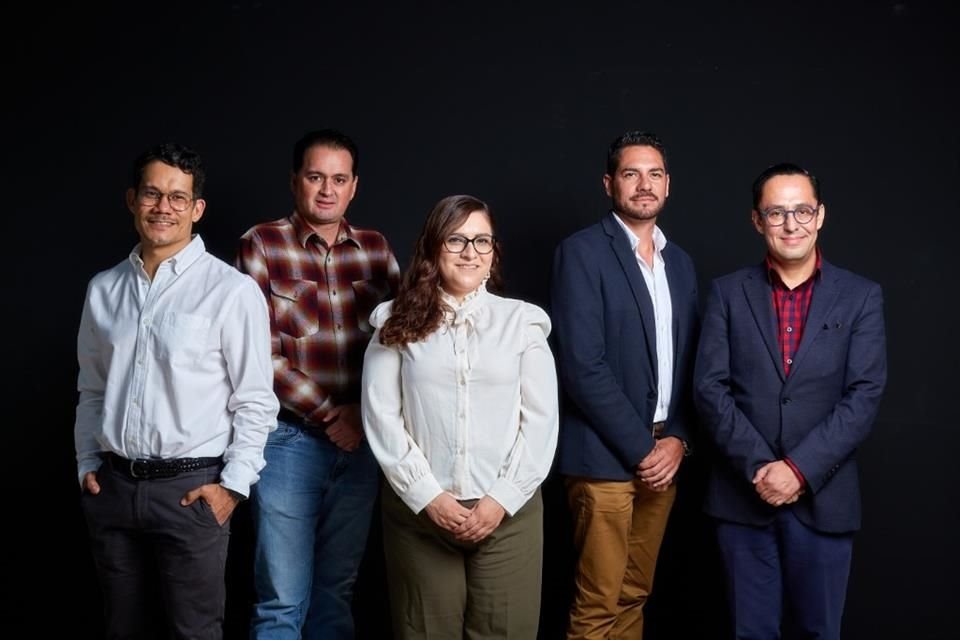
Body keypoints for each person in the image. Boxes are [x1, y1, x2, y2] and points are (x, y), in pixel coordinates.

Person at [74, 142, 279, 639]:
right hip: (114, 489)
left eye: (177, 197)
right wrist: (86, 465)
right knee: (122, 629)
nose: (163, 206)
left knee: (194, 633)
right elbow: (92, 388)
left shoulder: (231, 291)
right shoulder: (103, 289)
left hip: (192, 493)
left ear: (196, 209)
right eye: (152, 193)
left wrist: (233, 487)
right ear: (132, 200)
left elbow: (255, 400)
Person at [694, 163, 887, 639]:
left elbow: (863, 395)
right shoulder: (726, 293)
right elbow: (710, 388)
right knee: (750, 632)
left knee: (819, 632)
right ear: (757, 221)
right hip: (744, 497)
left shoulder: (861, 296)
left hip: (825, 498)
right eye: (776, 212)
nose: (790, 223)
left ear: (820, 216)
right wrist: (764, 469)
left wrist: (798, 470)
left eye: (801, 210)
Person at [361, 194, 559, 639]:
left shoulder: (522, 323)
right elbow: (382, 419)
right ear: (433, 248)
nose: (471, 252)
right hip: (421, 514)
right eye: (456, 239)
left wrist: (500, 500)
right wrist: (429, 496)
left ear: (493, 254)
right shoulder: (393, 322)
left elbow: (542, 423)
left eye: (482, 241)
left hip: (508, 514)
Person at [236, 129, 400, 639]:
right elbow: (259, 355)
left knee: (337, 593)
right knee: (281, 601)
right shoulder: (260, 244)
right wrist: (336, 413)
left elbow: (402, 339)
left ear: (353, 187)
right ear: (295, 182)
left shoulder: (375, 249)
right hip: (287, 444)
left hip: (361, 449)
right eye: (315, 177)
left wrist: (361, 414)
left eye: (339, 179)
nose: (326, 189)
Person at [550, 131, 700, 639]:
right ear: (609, 182)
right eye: (631, 173)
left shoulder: (679, 263)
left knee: (635, 594)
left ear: (668, 184)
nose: (644, 184)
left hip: (666, 454)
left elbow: (692, 362)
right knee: (598, 603)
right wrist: (644, 449)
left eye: (654, 173)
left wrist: (677, 438)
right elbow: (581, 366)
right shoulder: (582, 252)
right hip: (605, 457)